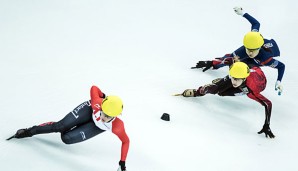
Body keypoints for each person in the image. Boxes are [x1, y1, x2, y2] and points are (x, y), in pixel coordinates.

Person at [11, 85, 130, 171]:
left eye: (108, 117)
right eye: (103, 112)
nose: (103, 117)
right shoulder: (96, 103)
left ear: (115, 116)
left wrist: (122, 162)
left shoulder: (117, 127)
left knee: (66, 138)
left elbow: (126, 141)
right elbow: (94, 88)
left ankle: (74, 126)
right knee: (60, 126)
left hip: (96, 126)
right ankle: (29, 131)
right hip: (88, 110)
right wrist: (104, 96)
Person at [192, 7, 285, 96]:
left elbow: (281, 66)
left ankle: (235, 82)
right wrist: (212, 64)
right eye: (248, 49)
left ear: (259, 48)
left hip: (264, 55)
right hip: (254, 52)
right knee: (233, 58)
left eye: (253, 50)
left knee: (247, 68)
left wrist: (278, 81)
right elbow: (256, 24)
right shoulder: (248, 43)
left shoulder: (266, 59)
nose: (250, 53)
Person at [182, 62, 275, 138]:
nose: (234, 82)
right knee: (216, 89)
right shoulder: (236, 72)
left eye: (237, 80)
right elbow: (228, 60)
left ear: (244, 78)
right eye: (233, 78)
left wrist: (267, 125)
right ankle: (200, 91)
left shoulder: (252, 89)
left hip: (251, 86)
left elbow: (268, 104)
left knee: (222, 93)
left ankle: (222, 83)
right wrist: (211, 63)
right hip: (245, 71)